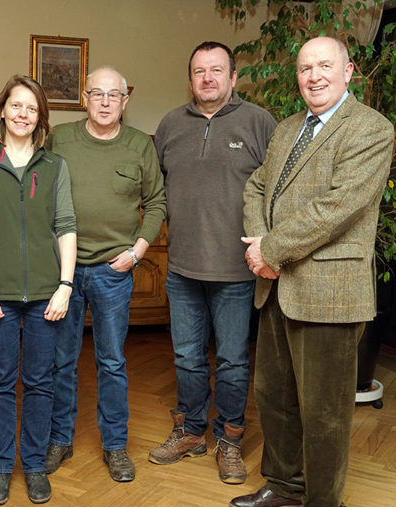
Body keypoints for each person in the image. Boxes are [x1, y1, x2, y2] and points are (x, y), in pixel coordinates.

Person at [229, 37, 394, 507]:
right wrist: (260, 248)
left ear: (349, 71)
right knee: (274, 395)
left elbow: (339, 207)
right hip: (274, 285)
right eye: (305, 67)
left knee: (323, 410)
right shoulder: (286, 129)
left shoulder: (370, 129)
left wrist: (272, 250)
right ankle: (283, 484)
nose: (314, 75)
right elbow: (256, 188)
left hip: (328, 289)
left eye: (325, 65)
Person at [150, 41, 276, 484]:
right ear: (191, 79)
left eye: (216, 70)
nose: (208, 78)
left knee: (233, 360)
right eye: (199, 71)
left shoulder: (260, 123)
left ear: (233, 78)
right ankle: (190, 430)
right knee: (186, 358)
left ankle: (230, 439)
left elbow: (278, 191)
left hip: (238, 271)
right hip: (182, 268)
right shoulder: (170, 125)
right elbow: (155, 191)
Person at [45, 66, 166, 482]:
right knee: (61, 361)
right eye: (97, 93)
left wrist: (138, 252)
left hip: (114, 272)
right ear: (84, 97)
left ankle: (115, 447)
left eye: (113, 95)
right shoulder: (60, 138)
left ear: (125, 101)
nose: (104, 102)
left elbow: (157, 203)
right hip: (64, 272)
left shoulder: (138, 145)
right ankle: (59, 439)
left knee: (111, 362)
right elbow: (36, 188)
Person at [0, 75, 77, 505]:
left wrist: (65, 285)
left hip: (48, 294)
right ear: (3, 111)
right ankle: (0, 467)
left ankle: (32, 466)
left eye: (31, 108)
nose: (23, 114)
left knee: (41, 383)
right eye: (16, 106)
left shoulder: (55, 167)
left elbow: (66, 225)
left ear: (40, 117)